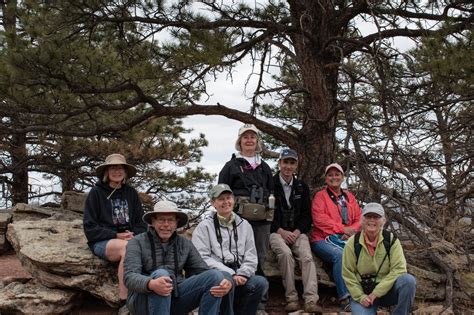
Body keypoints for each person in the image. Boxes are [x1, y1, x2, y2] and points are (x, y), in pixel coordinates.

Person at [124, 200, 233, 315]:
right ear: (153, 221)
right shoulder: (136, 242)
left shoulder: (185, 243)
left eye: (170, 220)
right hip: (143, 301)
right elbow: (129, 277)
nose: (166, 224)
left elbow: (202, 271)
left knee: (214, 277)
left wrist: (227, 279)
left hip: (176, 298)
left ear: (176, 223)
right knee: (161, 274)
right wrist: (151, 284)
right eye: (161, 219)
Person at [218, 124, 273, 312]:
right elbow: (221, 192)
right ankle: (235, 300)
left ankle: (260, 303)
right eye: (245, 137)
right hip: (239, 220)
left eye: (253, 137)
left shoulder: (264, 167)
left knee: (259, 257)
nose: (249, 140)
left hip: (262, 221)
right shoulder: (231, 166)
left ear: (257, 141)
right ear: (239, 141)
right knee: (238, 257)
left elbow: (272, 192)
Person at [192, 183, 268, 315]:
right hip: (218, 274)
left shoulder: (245, 225)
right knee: (226, 279)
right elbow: (202, 258)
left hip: (239, 272)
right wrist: (231, 274)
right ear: (213, 203)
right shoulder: (204, 227)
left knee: (260, 283)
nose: (226, 202)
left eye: (228, 198)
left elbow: (251, 255)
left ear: (233, 200)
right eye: (221, 199)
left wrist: (243, 273)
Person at [83, 153, 147, 300]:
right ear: (106, 171)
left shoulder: (131, 193)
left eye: (120, 168)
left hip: (130, 238)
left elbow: (141, 224)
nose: (117, 171)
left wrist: (132, 234)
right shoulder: (96, 193)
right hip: (103, 241)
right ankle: (125, 298)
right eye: (113, 168)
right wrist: (116, 235)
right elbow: (90, 227)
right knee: (128, 248)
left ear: (125, 172)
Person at [269, 149, 322, 313]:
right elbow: (266, 213)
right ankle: (291, 299)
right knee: (285, 254)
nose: (288, 166)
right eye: (285, 162)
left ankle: (311, 300)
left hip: (298, 232)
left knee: (306, 257)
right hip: (276, 231)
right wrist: (281, 231)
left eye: (292, 163)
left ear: (296, 166)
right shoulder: (270, 184)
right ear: (279, 163)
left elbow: (307, 215)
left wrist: (298, 232)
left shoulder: (302, 187)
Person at [342, 203, 416, 315]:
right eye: (368, 216)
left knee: (408, 281)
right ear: (362, 220)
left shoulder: (391, 240)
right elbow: (348, 274)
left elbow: (399, 269)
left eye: (376, 217)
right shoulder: (352, 243)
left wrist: (376, 293)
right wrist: (361, 297)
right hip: (364, 295)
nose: (372, 220)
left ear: (383, 221)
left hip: (388, 292)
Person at [310, 163, 362, 311]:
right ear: (326, 179)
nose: (334, 177)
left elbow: (359, 217)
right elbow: (319, 219)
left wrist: (350, 230)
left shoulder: (349, 196)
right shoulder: (320, 196)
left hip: (346, 237)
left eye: (337, 174)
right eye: (330, 175)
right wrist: (342, 230)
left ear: (342, 177)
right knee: (340, 255)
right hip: (322, 239)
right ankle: (345, 298)